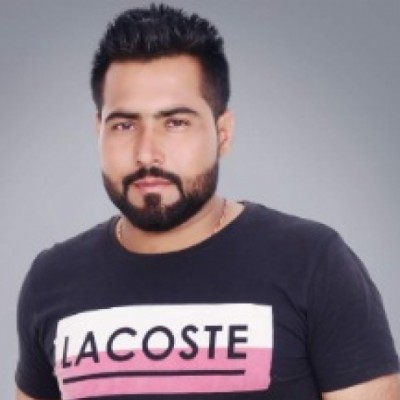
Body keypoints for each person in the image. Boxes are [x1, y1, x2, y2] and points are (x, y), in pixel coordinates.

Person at [16, 4, 400, 400]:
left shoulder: (313, 263)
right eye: (125, 125)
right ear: (99, 131)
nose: (147, 153)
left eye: (176, 123)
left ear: (223, 133)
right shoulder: (51, 279)